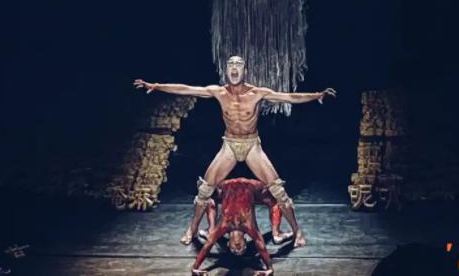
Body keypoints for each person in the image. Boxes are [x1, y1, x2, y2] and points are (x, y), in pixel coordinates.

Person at [134, 55, 336, 247]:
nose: (234, 67)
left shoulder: (257, 93)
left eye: (238, 64)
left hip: (251, 146)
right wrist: (156, 86)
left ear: (244, 71)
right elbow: (187, 89)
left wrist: (316, 95)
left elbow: (289, 97)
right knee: (205, 190)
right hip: (230, 145)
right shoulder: (219, 92)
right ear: (226, 70)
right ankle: (192, 229)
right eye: (231, 64)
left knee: (278, 192)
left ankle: (297, 231)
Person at [190, 177, 292, 275]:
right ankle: (276, 233)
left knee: (207, 197)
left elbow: (207, 246)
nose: (237, 249)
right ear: (246, 241)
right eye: (241, 249)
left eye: (234, 250)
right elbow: (261, 246)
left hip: (226, 184)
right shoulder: (248, 226)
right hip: (251, 185)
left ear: (228, 244)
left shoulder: (223, 226)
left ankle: (209, 229)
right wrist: (269, 268)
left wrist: (195, 267)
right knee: (277, 199)